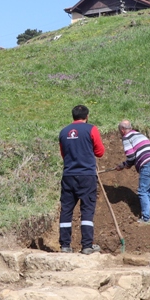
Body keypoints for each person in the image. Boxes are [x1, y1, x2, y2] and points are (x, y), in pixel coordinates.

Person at [58, 105, 104, 254]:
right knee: (87, 209)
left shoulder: (63, 132)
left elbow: (63, 154)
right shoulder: (91, 129)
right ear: (87, 116)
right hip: (87, 176)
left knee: (66, 210)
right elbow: (100, 152)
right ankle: (87, 246)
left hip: (68, 175)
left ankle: (65, 245)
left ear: (73, 116)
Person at [113, 120, 150, 223]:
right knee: (147, 184)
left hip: (147, 164)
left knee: (142, 190)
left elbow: (131, 157)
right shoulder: (139, 134)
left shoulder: (126, 137)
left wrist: (125, 165)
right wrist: (124, 164)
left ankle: (146, 218)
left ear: (122, 130)